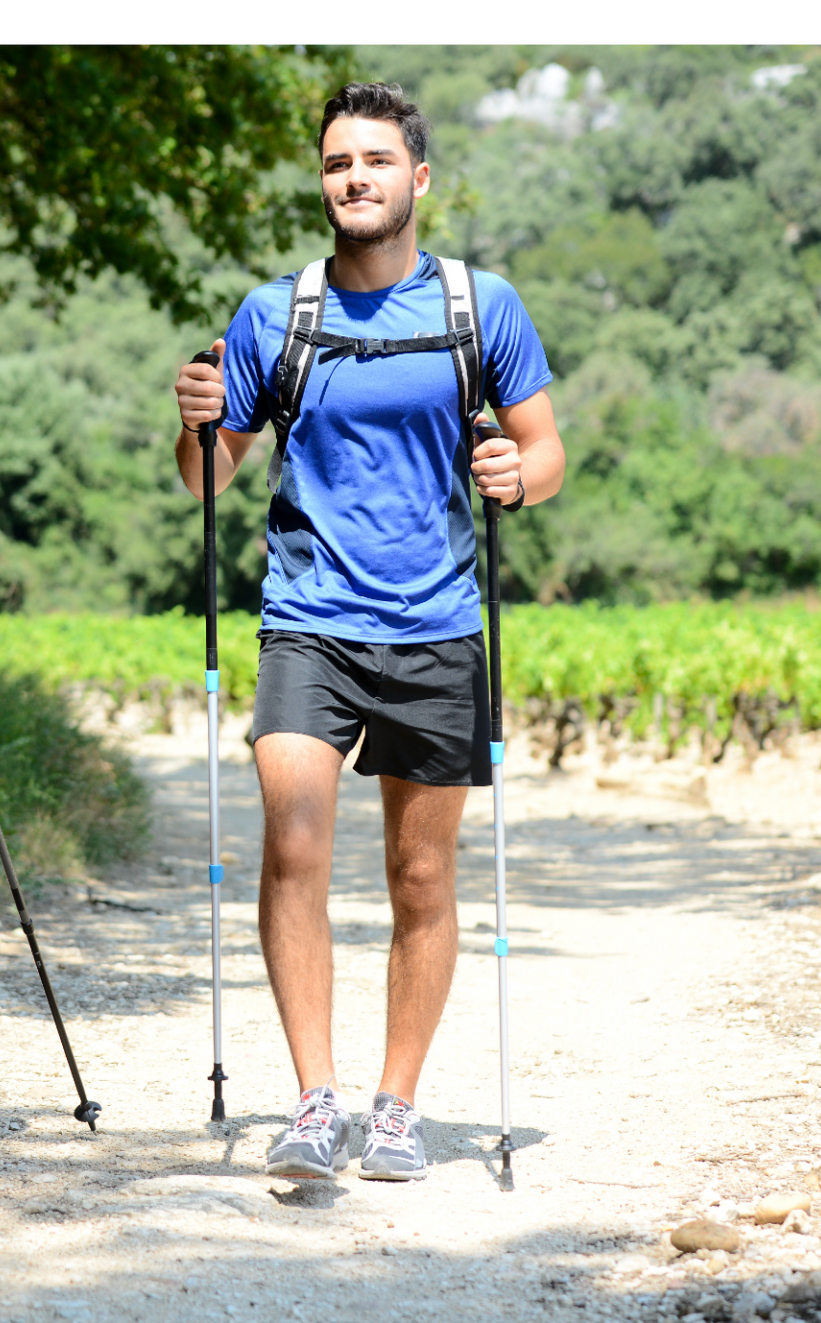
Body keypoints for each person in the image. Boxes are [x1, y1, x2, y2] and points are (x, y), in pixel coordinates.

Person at [172, 83, 565, 1182]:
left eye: (377, 161)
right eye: (340, 162)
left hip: (439, 624)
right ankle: (313, 1102)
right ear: (325, 179)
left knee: (419, 878)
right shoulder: (275, 315)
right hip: (307, 620)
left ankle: (396, 1108)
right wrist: (196, 421)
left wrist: (514, 478)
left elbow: (543, 452)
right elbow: (209, 474)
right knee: (293, 841)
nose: (357, 178)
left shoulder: (480, 309)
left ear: (418, 180)